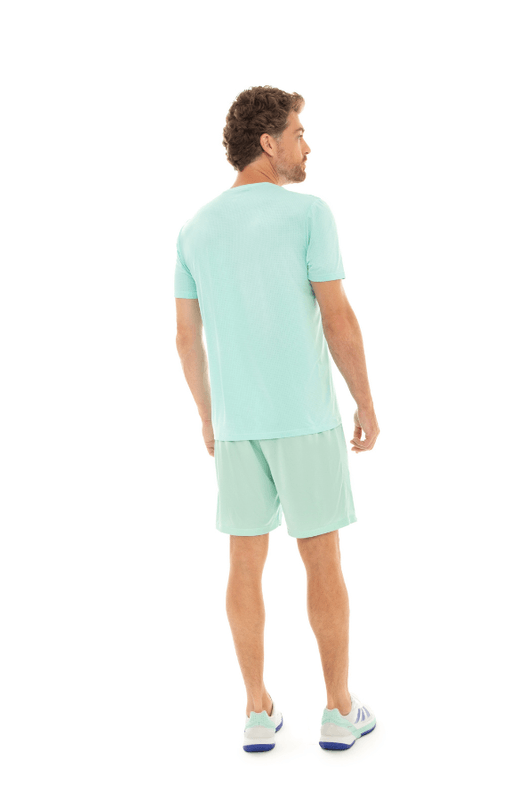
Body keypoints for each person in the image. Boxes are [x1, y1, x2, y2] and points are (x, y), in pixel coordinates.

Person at [174, 85, 379, 752]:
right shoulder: (309, 214)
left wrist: (208, 418)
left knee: (243, 563)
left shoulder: (195, 229)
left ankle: (257, 711)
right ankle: (338, 710)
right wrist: (366, 401)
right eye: (297, 133)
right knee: (322, 562)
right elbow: (337, 316)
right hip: (304, 418)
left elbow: (185, 338)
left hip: (237, 427)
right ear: (268, 142)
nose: (306, 145)